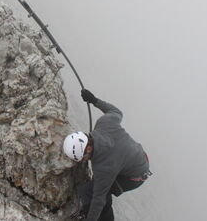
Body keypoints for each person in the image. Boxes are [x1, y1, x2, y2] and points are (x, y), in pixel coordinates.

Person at [62, 89, 152, 221]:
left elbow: (98, 200)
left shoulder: (104, 168)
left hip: (134, 177)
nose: (82, 161)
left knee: (90, 191)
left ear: (88, 150)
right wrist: (94, 100)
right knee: (97, 187)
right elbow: (116, 112)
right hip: (136, 157)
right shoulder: (104, 123)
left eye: (82, 158)